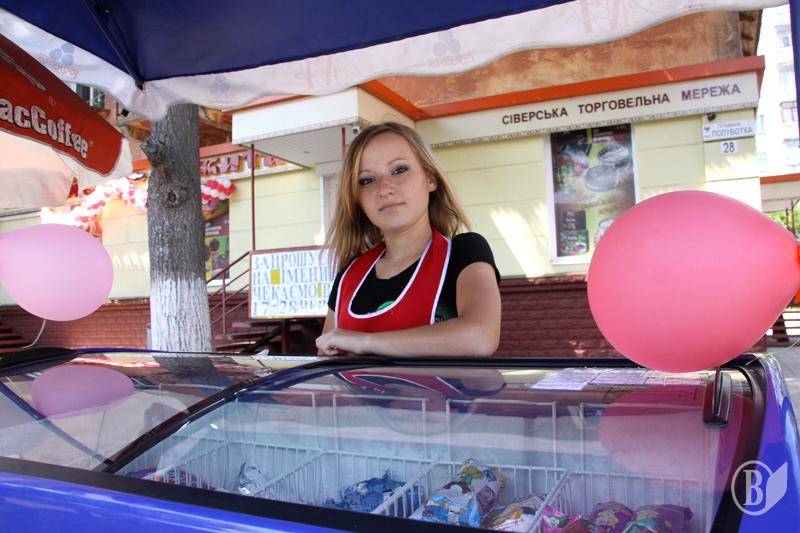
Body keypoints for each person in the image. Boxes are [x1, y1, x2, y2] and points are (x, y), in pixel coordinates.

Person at [316, 122, 501, 356]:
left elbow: (480, 337)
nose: (384, 189)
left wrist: (365, 342)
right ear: (357, 199)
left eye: (399, 170)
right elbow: (326, 360)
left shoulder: (464, 252)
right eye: (366, 180)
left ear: (430, 178)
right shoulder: (350, 275)